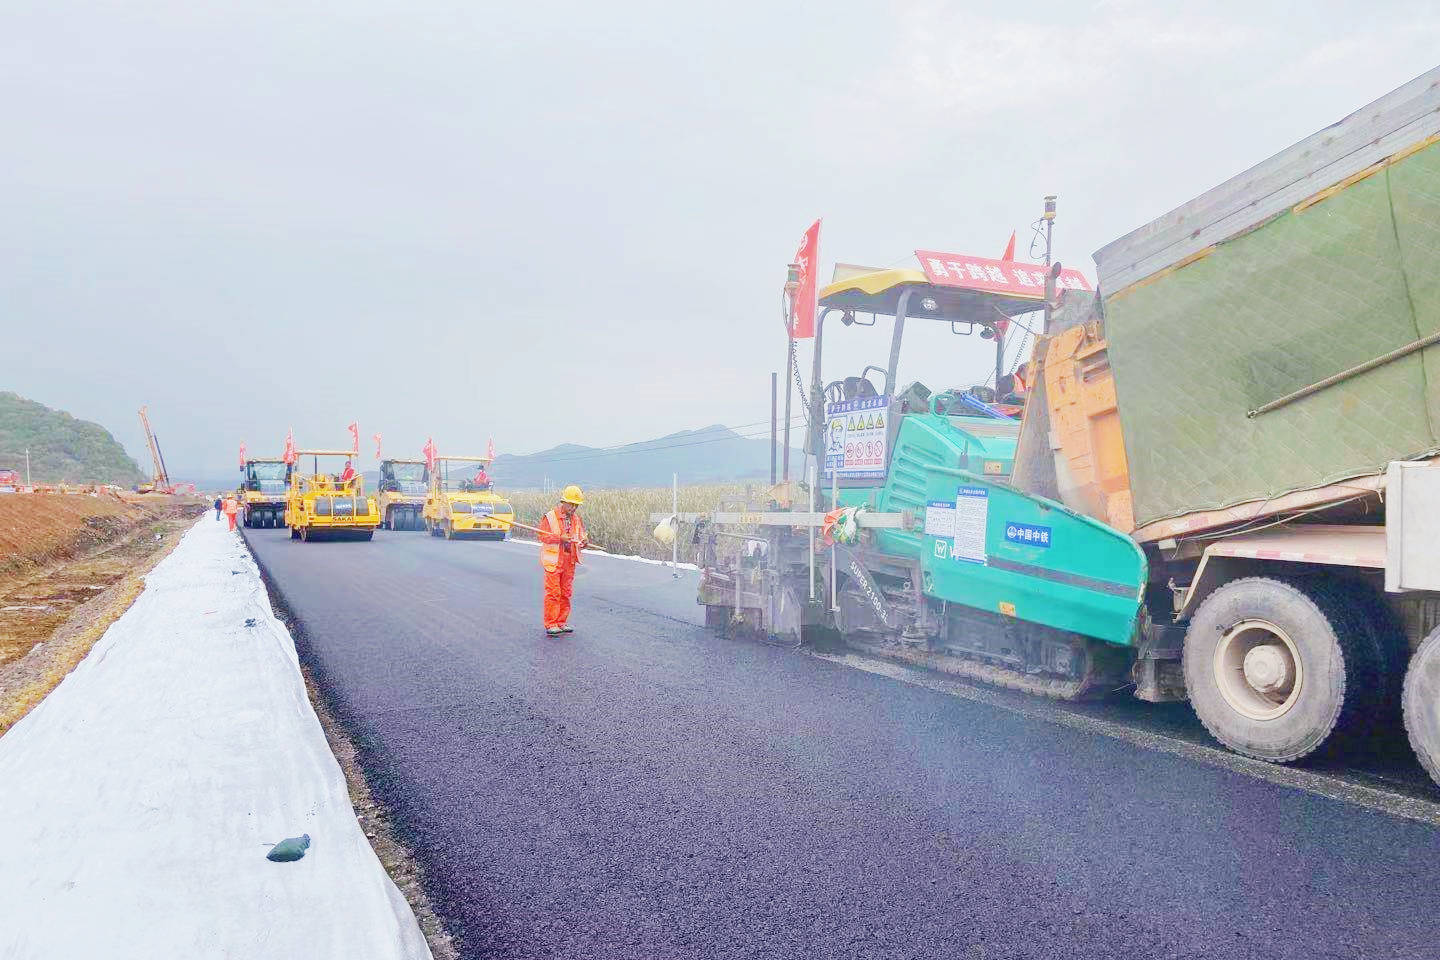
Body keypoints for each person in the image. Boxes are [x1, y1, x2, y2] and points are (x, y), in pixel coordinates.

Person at [536, 485, 588, 637]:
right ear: (563, 502)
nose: (574, 507)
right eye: (571, 504)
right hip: (554, 560)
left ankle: (561, 622)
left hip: (569, 560)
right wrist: (559, 537)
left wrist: (584, 541)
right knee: (553, 592)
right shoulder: (550, 517)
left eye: (576, 505)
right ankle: (551, 623)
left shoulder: (576, 519)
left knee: (566, 593)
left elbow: (580, 536)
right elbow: (542, 536)